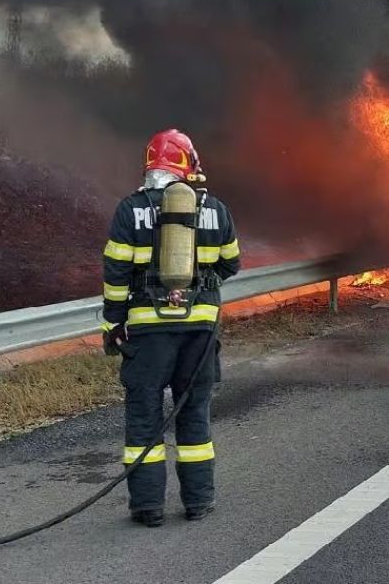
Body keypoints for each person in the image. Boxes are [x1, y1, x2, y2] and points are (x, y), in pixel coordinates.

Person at [101, 129, 241, 526]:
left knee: (145, 416)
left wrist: (114, 321)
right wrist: (200, 284)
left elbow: (116, 272)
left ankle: (148, 508)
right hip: (200, 331)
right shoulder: (215, 209)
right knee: (193, 413)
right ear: (186, 162)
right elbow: (232, 262)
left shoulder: (130, 210)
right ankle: (198, 502)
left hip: (147, 332)